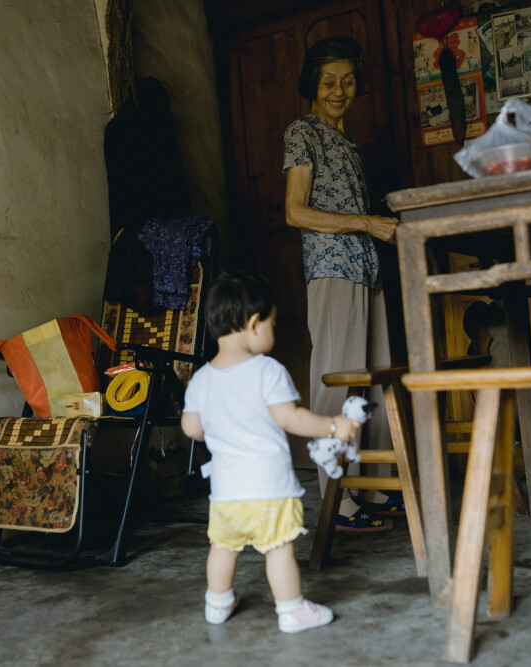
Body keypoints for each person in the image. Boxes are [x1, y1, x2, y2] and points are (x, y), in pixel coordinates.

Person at [181, 272, 359, 633]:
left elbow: (191, 428)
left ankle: (217, 603)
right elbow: (290, 417)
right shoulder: (268, 371)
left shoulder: (201, 378)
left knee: (222, 547)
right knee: (278, 550)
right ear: (252, 323)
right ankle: (291, 610)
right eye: (272, 324)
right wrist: (332, 426)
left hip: (226, 492)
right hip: (269, 489)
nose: (273, 333)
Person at [282, 36, 402, 533]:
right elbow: (295, 212)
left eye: (347, 81)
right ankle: (339, 501)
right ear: (313, 83)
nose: (338, 90)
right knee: (337, 381)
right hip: (332, 266)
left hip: (365, 268)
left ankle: (369, 485)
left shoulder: (347, 143)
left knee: (370, 381)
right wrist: (368, 223)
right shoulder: (301, 132)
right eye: (329, 80)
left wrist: (373, 229)